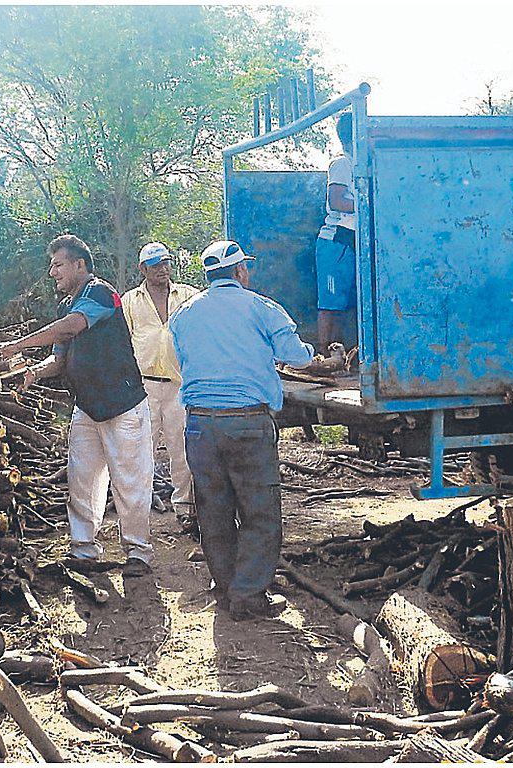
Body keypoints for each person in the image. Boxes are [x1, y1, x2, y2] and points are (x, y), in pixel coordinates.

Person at [168, 240, 315, 619]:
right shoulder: (262, 308)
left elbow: (181, 362)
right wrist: (317, 355)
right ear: (240, 272)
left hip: (199, 425)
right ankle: (248, 596)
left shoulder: (183, 314)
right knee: (260, 512)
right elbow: (296, 357)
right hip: (247, 423)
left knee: (213, 510)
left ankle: (226, 586)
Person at [0, 234, 154, 576]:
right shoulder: (66, 305)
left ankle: (138, 553)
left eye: (58, 265)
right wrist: (33, 372)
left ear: (79, 264)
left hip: (122, 404)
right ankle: (83, 550)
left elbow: (70, 329)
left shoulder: (100, 293)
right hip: (87, 406)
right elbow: (59, 359)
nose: (52, 272)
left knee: (130, 480)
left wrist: (18, 345)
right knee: (82, 480)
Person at [121, 242, 200, 515]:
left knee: (182, 450)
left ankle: (185, 508)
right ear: (143, 269)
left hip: (180, 385)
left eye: (165, 263)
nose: (162, 269)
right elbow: (122, 343)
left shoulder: (188, 296)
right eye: (155, 265)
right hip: (145, 386)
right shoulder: (130, 301)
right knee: (141, 450)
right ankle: (138, 511)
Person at [314, 112, 357, 350]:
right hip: (336, 241)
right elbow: (337, 201)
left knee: (341, 304)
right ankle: (324, 353)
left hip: (349, 242)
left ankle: (337, 355)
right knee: (330, 304)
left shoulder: (358, 164)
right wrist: (369, 203)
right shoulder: (342, 164)